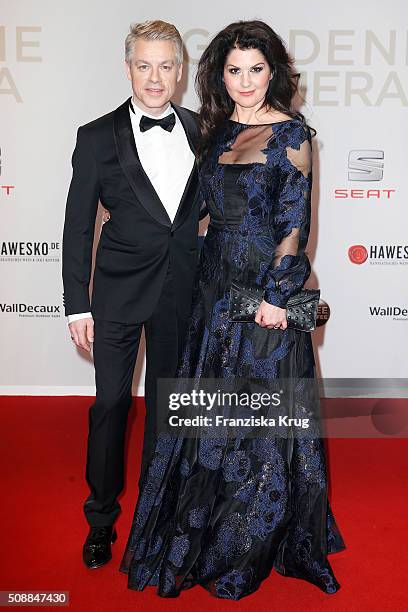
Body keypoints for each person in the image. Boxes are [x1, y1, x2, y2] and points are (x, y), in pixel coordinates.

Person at [119, 20, 346, 600]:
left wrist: (277, 295)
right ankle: (204, 525)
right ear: (220, 75)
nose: (246, 81)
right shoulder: (217, 133)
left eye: (257, 69)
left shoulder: (293, 135)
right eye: (234, 70)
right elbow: (194, 212)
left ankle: (248, 540)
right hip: (212, 292)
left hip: (260, 297)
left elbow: (294, 225)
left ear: (274, 72)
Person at [62, 20, 206, 570]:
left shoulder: (200, 129)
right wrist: (78, 304)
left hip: (181, 294)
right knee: (112, 407)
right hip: (117, 295)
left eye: (166, 65)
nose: (155, 77)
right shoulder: (95, 136)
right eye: (143, 65)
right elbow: (77, 227)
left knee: (172, 409)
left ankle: (158, 510)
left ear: (180, 70)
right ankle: (100, 517)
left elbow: (214, 211)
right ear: (128, 69)